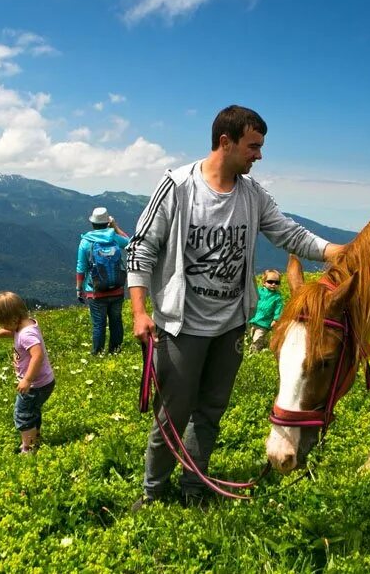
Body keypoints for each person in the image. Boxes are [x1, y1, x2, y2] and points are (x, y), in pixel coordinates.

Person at [126, 104, 344, 510]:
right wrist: (140, 312)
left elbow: (289, 233)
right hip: (181, 326)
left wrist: (337, 251)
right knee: (171, 414)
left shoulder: (253, 195)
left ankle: (194, 486)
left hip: (230, 326)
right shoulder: (177, 186)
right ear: (225, 142)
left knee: (210, 411)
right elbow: (140, 249)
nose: (258, 156)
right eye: (253, 147)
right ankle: (152, 492)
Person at [0, 291, 56, 453]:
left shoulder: (27, 334)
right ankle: (35, 439)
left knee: (23, 414)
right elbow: (13, 332)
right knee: (32, 411)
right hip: (43, 382)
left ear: (13, 320)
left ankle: (28, 448)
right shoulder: (25, 325)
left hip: (35, 385)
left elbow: (37, 355)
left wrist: (27, 380)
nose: (3, 328)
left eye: (3, 325)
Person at [76, 207, 131, 354]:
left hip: (95, 290)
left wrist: (78, 289)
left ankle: (98, 353)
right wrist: (116, 227)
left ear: (92, 223)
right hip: (117, 290)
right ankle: (116, 350)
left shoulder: (86, 242)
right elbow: (130, 243)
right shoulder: (114, 237)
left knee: (98, 324)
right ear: (107, 223)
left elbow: (81, 267)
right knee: (116, 321)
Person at [248, 268, 283, 352]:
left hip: (264, 323)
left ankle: (254, 352)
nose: (273, 284)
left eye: (276, 282)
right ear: (264, 282)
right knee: (249, 336)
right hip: (252, 319)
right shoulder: (259, 291)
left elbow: (278, 310)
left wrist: (275, 319)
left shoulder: (277, 297)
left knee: (257, 338)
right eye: (270, 282)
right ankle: (263, 342)